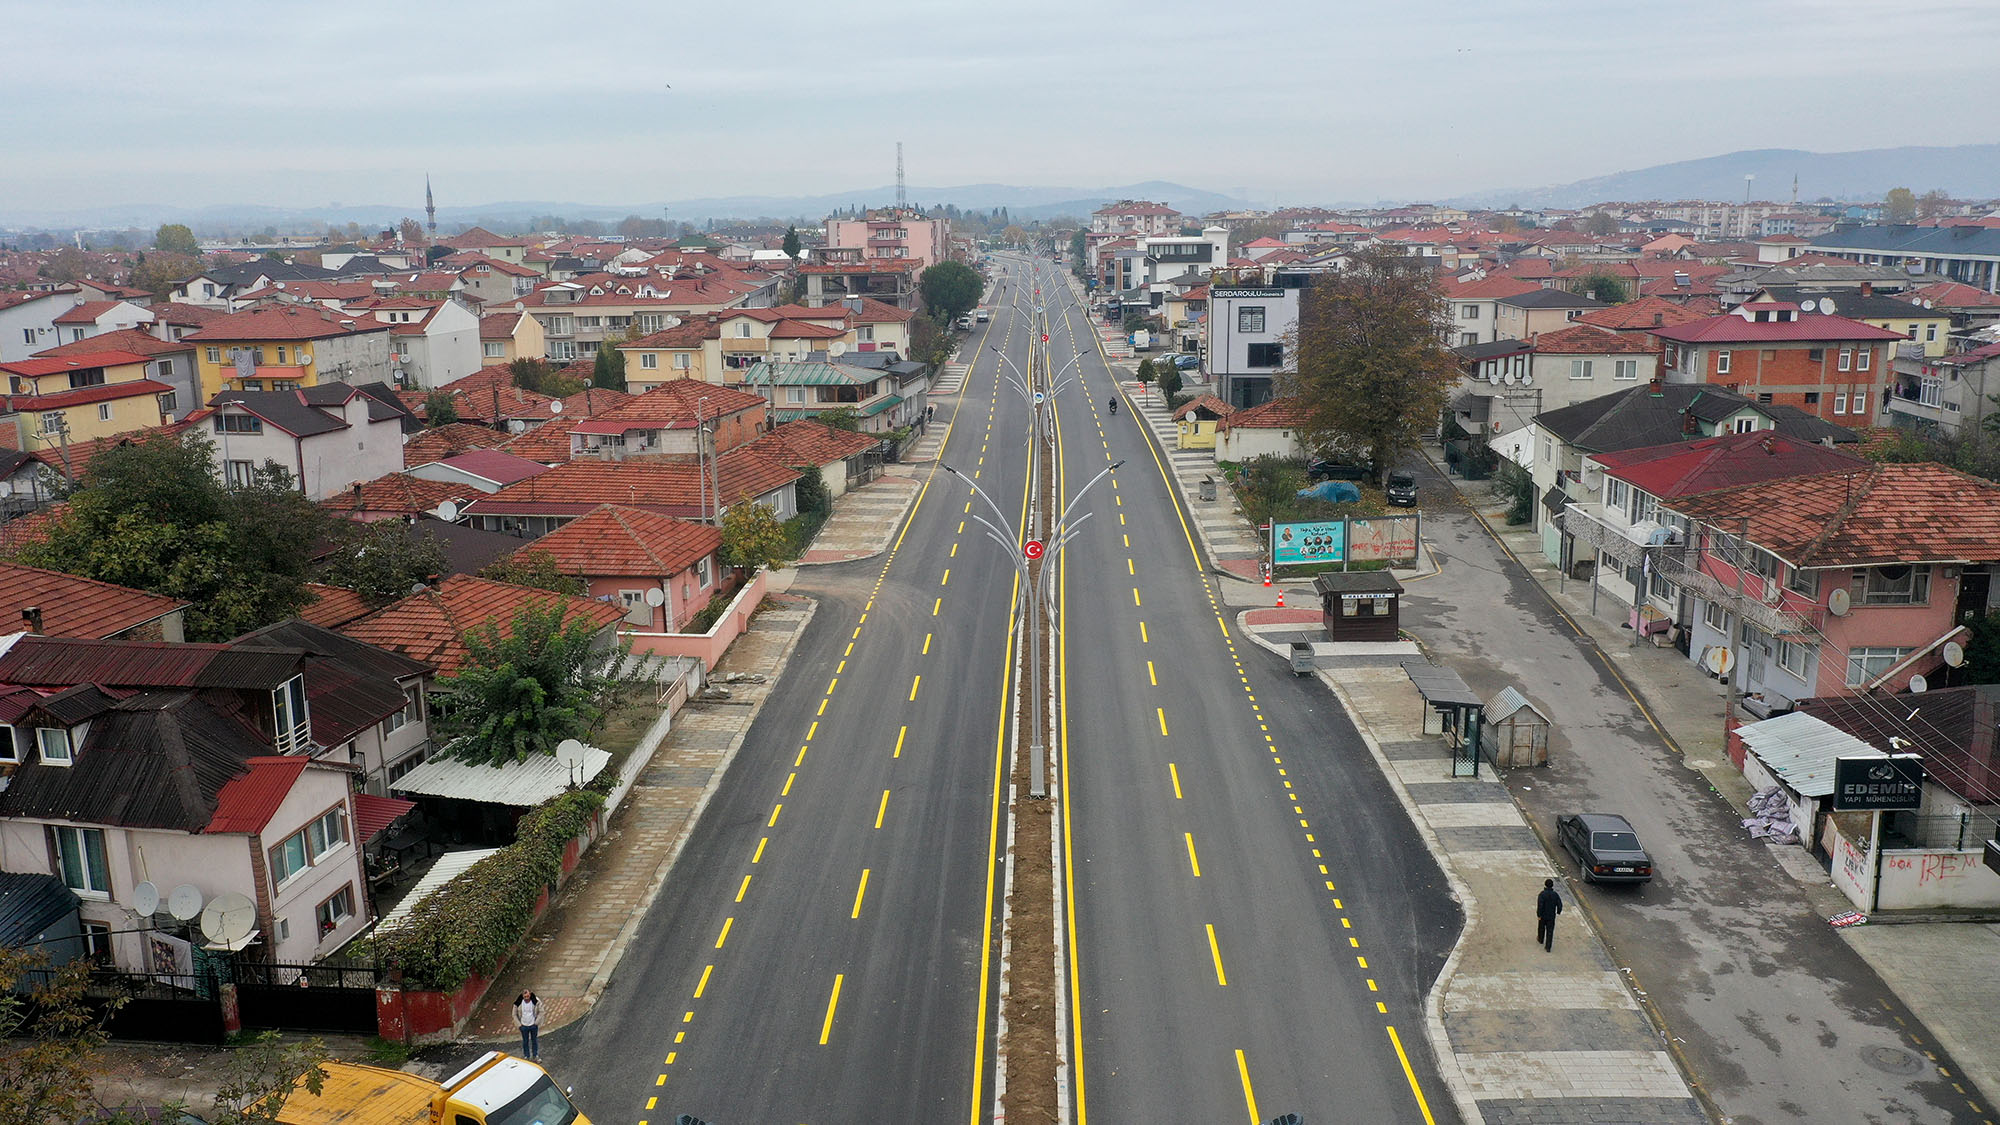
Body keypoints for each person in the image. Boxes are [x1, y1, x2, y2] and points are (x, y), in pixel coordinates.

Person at [1535, 878, 1563, 952]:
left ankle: (1540, 939)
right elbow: (1559, 904)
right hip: (1551, 916)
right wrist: (1558, 911)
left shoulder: (1542, 894)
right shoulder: (1555, 895)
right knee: (1550, 931)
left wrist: (1539, 915)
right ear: (1552, 885)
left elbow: (1540, 905)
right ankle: (1548, 947)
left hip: (1543, 915)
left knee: (1541, 928)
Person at [514, 991, 541, 1060]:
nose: (526, 998)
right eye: (525, 997)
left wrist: (536, 1022)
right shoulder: (518, 1003)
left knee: (534, 1040)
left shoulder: (536, 1001)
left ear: (530, 995)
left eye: (528, 996)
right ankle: (527, 1056)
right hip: (524, 1025)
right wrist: (519, 1025)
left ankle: (535, 1055)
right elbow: (514, 1014)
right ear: (522, 996)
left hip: (533, 1025)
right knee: (525, 1041)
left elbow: (541, 1011)